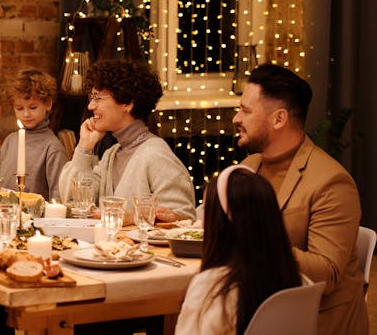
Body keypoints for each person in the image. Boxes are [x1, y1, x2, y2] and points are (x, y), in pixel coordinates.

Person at [232, 63, 368, 334]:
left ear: (279, 119)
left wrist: (258, 241)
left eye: (245, 111)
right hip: (256, 306)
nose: (237, 118)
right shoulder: (249, 166)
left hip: (313, 322)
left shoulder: (331, 182)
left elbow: (326, 274)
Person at [58, 59, 195, 222]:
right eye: (91, 98)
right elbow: (75, 201)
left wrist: (133, 217)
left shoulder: (155, 155)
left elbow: (183, 219)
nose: (90, 106)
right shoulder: (111, 155)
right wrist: (84, 147)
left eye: (97, 98)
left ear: (127, 103)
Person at [176, 165, 302, 334]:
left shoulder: (211, 288)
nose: (201, 222)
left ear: (220, 222)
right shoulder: (298, 281)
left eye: (206, 210)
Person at [0, 69, 68, 200]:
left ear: (48, 104)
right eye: (19, 108)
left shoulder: (52, 147)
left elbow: (58, 194)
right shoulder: (10, 141)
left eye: (33, 107)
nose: (26, 114)